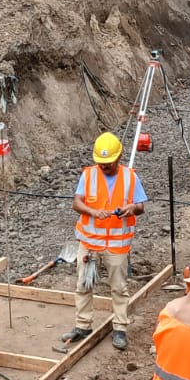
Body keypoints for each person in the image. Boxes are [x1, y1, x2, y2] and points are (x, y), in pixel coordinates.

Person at [60, 132, 147, 352]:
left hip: (117, 246)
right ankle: (82, 325)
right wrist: (93, 211)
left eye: (108, 164)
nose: (104, 167)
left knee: (118, 287)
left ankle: (119, 327)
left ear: (118, 158)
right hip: (90, 244)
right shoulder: (89, 175)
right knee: (83, 285)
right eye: (101, 163)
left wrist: (131, 209)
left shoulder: (130, 177)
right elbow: (77, 203)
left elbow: (141, 206)